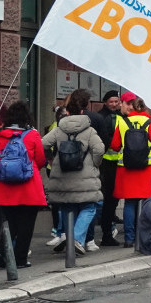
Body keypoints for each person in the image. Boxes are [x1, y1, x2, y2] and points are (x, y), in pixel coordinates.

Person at [41, 90, 105, 255]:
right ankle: (76, 239)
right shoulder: (89, 130)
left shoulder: (59, 129)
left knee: (68, 207)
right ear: (83, 110)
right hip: (85, 177)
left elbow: (43, 144)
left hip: (63, 177)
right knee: (89, 207)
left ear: (67, 111)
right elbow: (99, 149)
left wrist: (51, 159)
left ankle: (70, 239)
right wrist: (95, 164)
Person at [0, 100, 47, 268]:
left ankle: (1, 251)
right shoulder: (33, 135)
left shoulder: (0, 135)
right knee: (26, 226)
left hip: (5, 188)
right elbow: (40, 160)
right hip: (29, 187)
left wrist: (3, 176)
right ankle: (20, 259)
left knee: (10, 223)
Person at [110, 96, 151, 250]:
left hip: (127, 169)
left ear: (132, 107)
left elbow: (115, 145)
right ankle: (144, 238)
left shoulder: (122, 123)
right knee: (148, 204)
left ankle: (129, 239)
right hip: (148, 170)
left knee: (129, 203)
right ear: (146, 108)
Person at [95, 91, 123, 246]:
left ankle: (107, 230)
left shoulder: (118, 116)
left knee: (112, 200)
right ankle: (107, 232)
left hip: (115, 163)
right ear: (105, 102)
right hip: (106, 164)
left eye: (116, 101)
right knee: (108, 200)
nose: (114, 104)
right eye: (111, 101)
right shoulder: (103, 117)